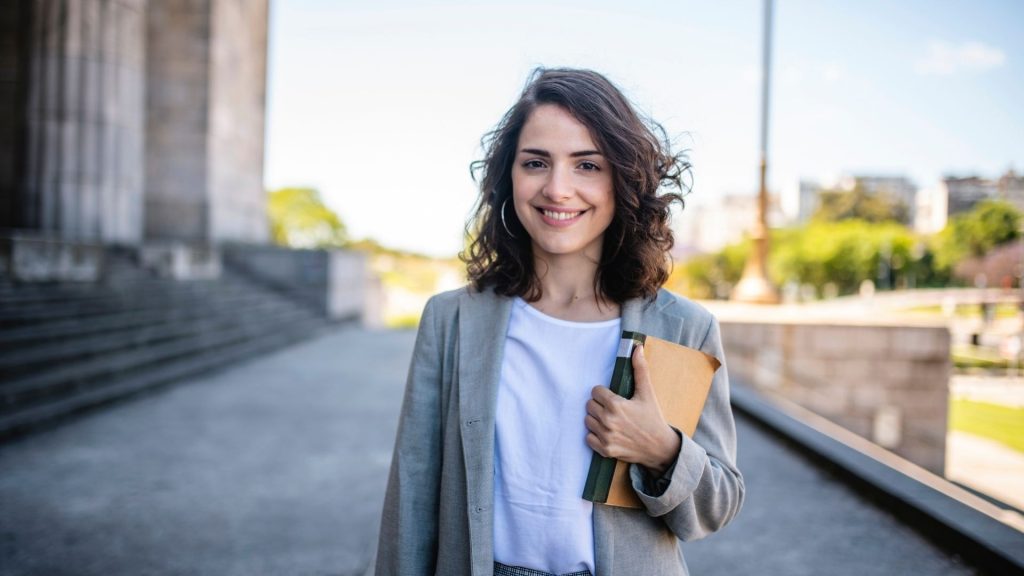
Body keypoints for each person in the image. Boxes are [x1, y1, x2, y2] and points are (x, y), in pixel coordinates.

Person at [375, 68, 744, 576]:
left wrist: (661, 449)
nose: (558, 188)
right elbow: (412, 501)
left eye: (587, 164)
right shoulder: (452, 321)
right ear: (510, 176)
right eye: (535, 162)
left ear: (622, 178)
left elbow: (716, 507)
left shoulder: (684, 326)